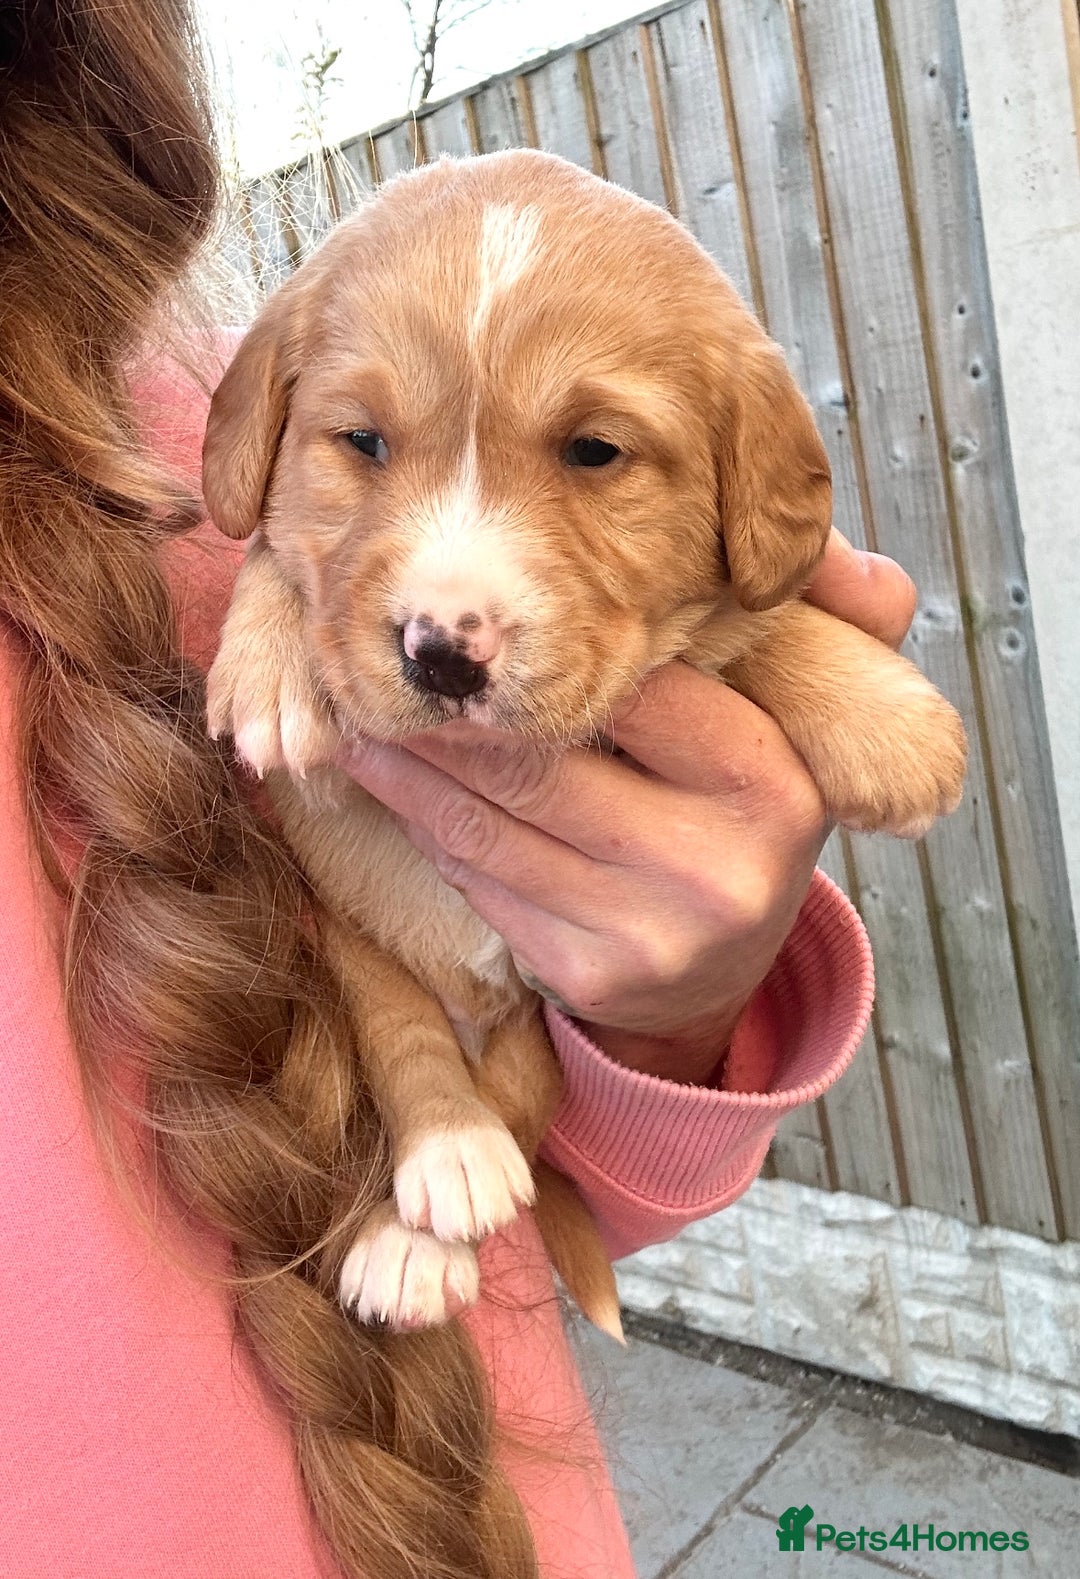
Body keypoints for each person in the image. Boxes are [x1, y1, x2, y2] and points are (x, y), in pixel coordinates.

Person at [0, 3, 911, 1575]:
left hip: (462, 1508)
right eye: (362, 444)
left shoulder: (182, 447)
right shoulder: (275, 450)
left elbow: (549, 1182)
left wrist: (669, 1015)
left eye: (590, 453)